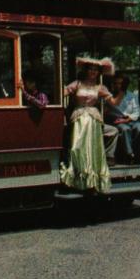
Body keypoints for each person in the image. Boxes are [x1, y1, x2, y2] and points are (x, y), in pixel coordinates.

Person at [59, 57, 119, 194]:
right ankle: (78, 180)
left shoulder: (100, 87)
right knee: (77, 148)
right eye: (90, 69)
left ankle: (92, 182)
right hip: (79, 117)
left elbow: (114, 102)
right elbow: (63, 92)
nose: (92, 72)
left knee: (93, 149)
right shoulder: (77, 84)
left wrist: (122, 90)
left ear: (99, 73)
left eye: (95, 70)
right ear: (86, 70)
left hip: (93, 119)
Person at [105, 73, 140, 164]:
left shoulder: (132, 96)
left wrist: (127, 119)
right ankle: (129, 154)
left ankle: (138, 153)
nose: (117, 86)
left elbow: (137, 112)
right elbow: (107, 112)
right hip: (118, 121)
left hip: (131, 120)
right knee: (125, 129)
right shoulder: (108, 97)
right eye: (115, 83)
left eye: (120, 83)